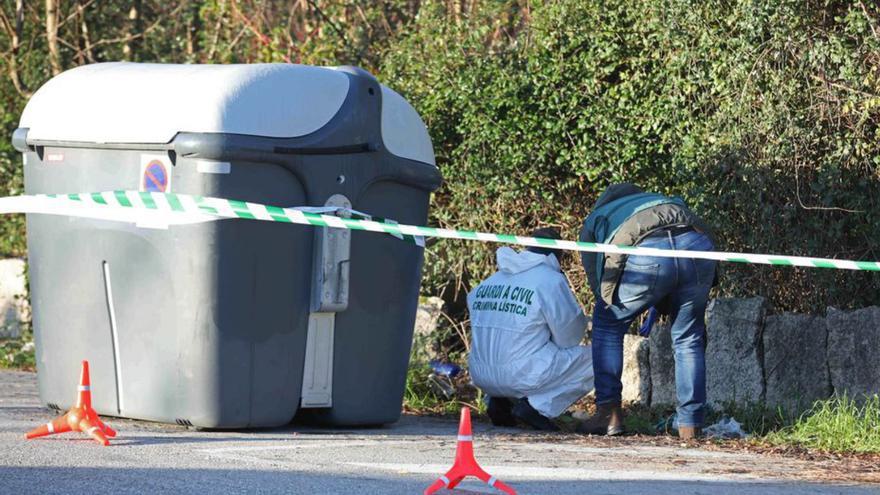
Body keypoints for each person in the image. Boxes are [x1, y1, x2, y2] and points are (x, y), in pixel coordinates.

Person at [577, 183, 717, 439]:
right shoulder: (664, 199)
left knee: (607, 324)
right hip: (698, 245)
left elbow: (596, 277)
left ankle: (609, 414)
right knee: (688, 337)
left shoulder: (599, 216)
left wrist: (612, 302)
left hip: (645, 253)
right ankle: (691, 424)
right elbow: (680, 248)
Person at [467, 227, 594, 431]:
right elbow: (569, 337)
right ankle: (536, 408)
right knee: (597, 360)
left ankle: (499, 402)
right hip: (521, 375)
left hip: (480, 374)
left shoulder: (490, 282)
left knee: (519, 348)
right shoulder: (549, 280)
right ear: (556, 254)